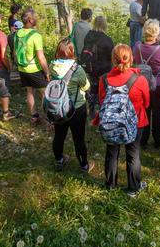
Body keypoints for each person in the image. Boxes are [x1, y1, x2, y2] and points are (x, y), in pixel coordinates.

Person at [95, 44, 150, 197]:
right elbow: (146, 103)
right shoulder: (140, 80)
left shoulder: (104, 79)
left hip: (111, 122)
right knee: (133, 154)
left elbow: (102, 100)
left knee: (112, 153)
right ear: (131, 58)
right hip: (136, 123)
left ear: (113, 59)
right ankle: (133, 188)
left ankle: (110, 185)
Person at [49, 38, 94, 173]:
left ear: (58, 52)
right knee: (78, 138)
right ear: (72, 52)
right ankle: (84, 164)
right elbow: (86, 86)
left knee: (59, 135)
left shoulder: (52, 66)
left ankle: (59, 160)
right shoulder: (77, 69)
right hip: (76, 108)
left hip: (58, 106)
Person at [133, 19, 160, 149]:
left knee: (144, 110)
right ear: (157, 33)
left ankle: (143, 139)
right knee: (158, 112)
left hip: (142, 83)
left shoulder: (137, 46)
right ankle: (157, 140)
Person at [14, 9, 51, 125]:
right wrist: (47, 72)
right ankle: (50, 119)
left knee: (30, 92)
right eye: (35, 17)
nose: (37, 19)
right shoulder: (35, 35)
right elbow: (41, 57)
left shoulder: (17, 34)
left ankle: (34, 116)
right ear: (30, 20)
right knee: (45, 94)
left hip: (22, 68)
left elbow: (15, 53)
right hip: (34, 69)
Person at [81, 16, 115, 117]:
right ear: (105, 25)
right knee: (104, 90)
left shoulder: (89, 35)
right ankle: (103, 110)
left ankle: (91, 109)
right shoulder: (107, 40)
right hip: (104, 69)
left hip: (91, 67)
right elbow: (112, 56)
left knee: (93, 88)